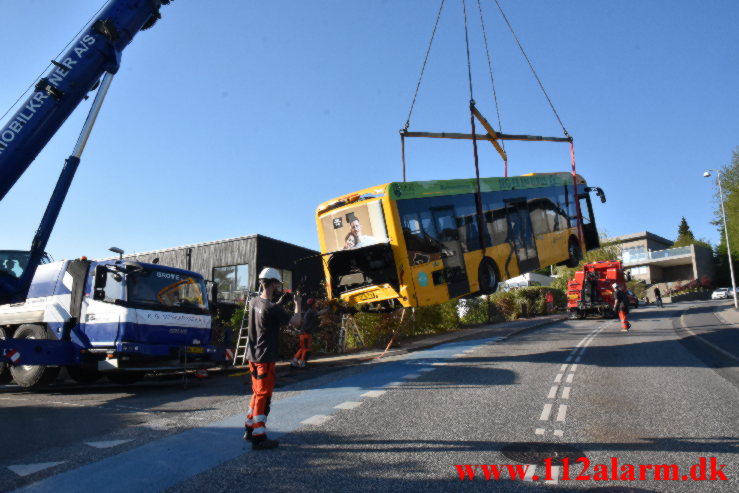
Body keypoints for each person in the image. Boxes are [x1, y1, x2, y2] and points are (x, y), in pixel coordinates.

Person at [244, 267, 302, 450]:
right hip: (265, 358)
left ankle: (249, 428)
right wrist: (297, 304)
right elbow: (296, 322)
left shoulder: (254, 302)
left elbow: (266, 314)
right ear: (272, 283)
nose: (279, 286)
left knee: (256, 393)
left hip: (252, 356)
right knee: (263, 396)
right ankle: (259, 437)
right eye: (277, 283)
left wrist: (278, 303)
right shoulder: (273, 308)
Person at [291, 298, 320, 368]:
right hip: (306, 333)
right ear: (313, 304)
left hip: (303, 333)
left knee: (302, 348)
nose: (316, 305)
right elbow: (319, 313)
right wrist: (328, 309)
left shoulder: (309, 312)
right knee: (306, 348)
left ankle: (294, 361)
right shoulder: (311, 312)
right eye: (315, 303)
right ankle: (301, 363)